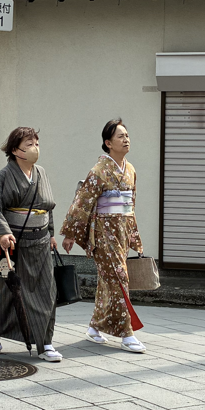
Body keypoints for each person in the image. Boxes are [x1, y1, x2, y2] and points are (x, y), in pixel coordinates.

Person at [61, 118, 146, 353]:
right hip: (103, 233)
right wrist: (70, 233)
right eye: (120, 136)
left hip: (121, 231)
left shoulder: (130, 170)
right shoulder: (98, 171)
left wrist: (134, 236)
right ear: (108, 143)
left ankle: (94, 328)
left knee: (108, 282)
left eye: (127, 135)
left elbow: (130, 206)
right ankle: (126, 334)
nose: (126, 139)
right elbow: (82, 202)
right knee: (119, 279)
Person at [0, 127, 60, 362]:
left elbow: (47, 206)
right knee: (6, 290)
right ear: (16, 150)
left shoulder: (41, 173)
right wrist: (2, 234)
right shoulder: (4, 177)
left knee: (46, 292)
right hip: (12, 244)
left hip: (40, 242)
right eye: (29, 143)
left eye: (37, 142)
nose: (35, 147)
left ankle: (45, 342)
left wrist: (51, 233)